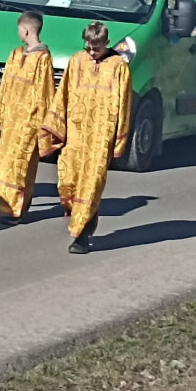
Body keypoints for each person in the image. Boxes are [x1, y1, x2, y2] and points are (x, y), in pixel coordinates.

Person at [40, 21, 131, 254]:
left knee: (90, 185)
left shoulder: (119, 67)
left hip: (101, 136)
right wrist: (54, 127)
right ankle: (81, 218)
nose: (92, 52)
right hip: (75, 133)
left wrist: (119, 140)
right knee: (67, 182)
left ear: (107, 44)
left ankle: (81, 236)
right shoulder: (76, 61)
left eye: (97, 48)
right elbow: (63, 94)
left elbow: (124, 105)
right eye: (89, 47)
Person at [0, 11, 54, 224]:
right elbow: (4, 89)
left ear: (25, 30)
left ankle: (16, 210)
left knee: (21, 166)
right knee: (4, 165)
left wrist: (42, 127)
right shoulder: (15, 54)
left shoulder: (43, 59)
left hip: (28, 124)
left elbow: (45, 95)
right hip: (10, 122)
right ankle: (2, 207)